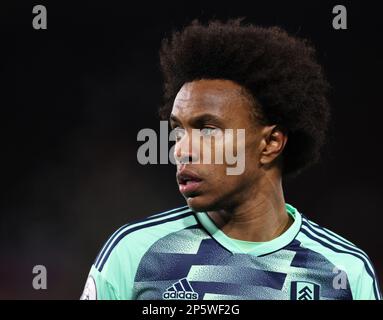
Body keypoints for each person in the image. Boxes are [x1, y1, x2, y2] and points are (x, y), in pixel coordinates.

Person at [80, 19, 381, 300]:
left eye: (207, 129)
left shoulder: (345, 272)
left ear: (270, 143)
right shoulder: (134, 253)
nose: (181, 150)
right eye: (177, 131)